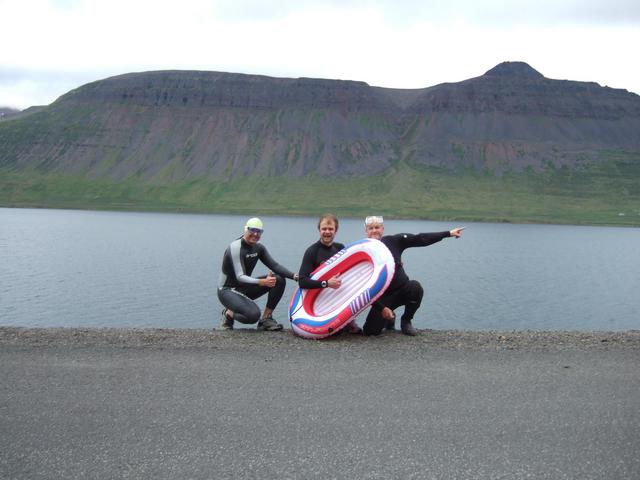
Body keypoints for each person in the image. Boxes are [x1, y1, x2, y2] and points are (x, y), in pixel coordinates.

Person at [362, 215, 464, 336]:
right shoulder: (361, 252)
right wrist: (381, 308)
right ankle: (390, 317)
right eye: (371, 228)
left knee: (415, 287)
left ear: (382, 229)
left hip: (402, 289)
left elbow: (420, 238)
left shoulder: (393, 241)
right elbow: (364, 289)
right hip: (382, 298)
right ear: (366, 231)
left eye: (377, 227)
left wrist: (448, 233)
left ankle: (406, 320)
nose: (374, 230)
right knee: (370, 332)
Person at [218, 217, 299, 331]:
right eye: (252, 230)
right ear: (245, 229)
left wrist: (295, 276)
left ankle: (266, 319)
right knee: (252, 316)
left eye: (259, 231)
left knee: (278, 280)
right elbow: (239, 276)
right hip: (227, 291)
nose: (255, 234)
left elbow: (275, 266)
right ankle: (229, 314)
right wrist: (261, 282)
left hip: (244, 288)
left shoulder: (258, 248)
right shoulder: (235, 247)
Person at [297, 214, 361, 334]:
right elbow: (302, 281)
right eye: (324, 229)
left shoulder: (340, 248)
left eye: (330, 229)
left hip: (338, 294)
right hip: (319, 298)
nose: (327, 232)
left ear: (335, 230)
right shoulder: (312, 251)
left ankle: (350, 321)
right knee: (336, 333)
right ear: (319, 230)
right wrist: (327, 283)